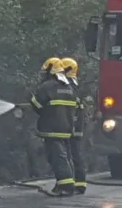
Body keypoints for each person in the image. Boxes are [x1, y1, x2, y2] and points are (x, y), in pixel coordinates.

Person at [30, 57, 78, 195]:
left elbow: (37, 106)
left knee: (57, 157)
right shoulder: (69, 88)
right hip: (67, 129)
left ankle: (66, 187)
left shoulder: (47, 87)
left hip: (52, 129)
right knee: (65, 157)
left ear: (50, 71)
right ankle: (64, 184)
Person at [60, 57, 87, 194]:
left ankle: (78, 184)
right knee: (74, 155)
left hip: (74, 126)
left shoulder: (70, 87)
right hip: (75, 125)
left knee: (74, 155)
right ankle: (79, 183)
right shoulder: (74, 85)